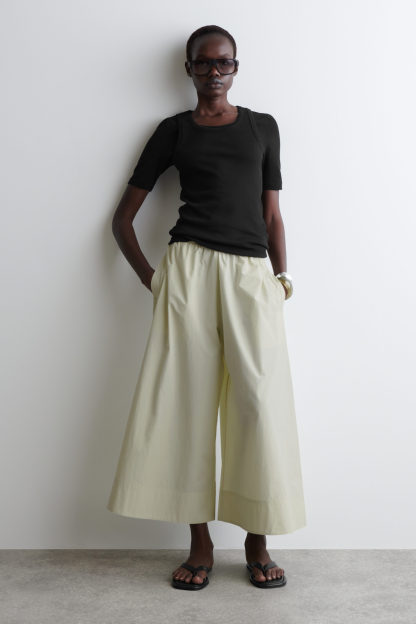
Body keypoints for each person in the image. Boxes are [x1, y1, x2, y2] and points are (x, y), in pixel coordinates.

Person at [106, 24, 306, 591]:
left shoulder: (262, 127)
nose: (214, 72)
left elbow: (272, 214)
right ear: (189, 69)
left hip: (250, 275)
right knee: (186, 406)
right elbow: (122, 220)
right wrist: (154, 281)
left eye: (224, 63)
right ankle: (200, 545)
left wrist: (281, 278)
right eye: (203, 63)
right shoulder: (172, 131)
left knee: (258, 404)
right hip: (188, 272)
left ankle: (257, 542)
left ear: (236, 67)